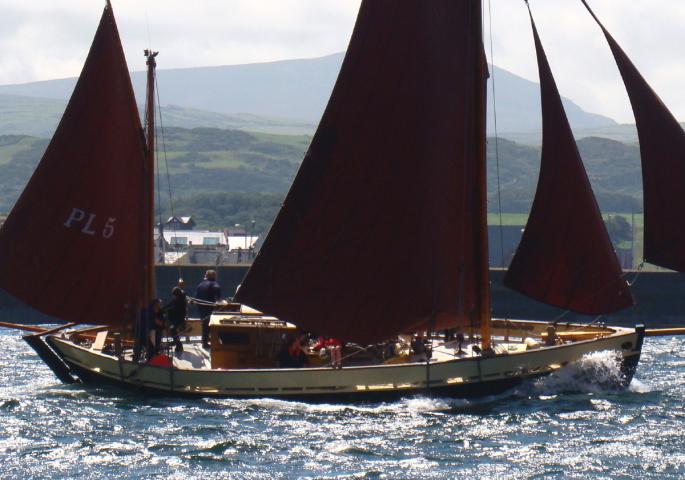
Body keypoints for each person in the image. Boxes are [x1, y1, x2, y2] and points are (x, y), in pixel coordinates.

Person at [194, 269, 221, 349]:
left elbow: (196, 296)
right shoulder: (214, 284)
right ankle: (212, 342)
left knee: (205, 325)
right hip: (210, 308)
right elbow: (218, 296)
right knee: (212, 325)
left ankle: (204, 342)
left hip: (201, 308)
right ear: (213, 276)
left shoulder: (200, 285)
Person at [163, 285, 187, 354]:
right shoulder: (176, 300)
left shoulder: (181, 301)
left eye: (174, 295)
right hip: (175, 318)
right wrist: (162, 309)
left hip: (179, 319)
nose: (174, 297)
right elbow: (170, 305)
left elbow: (176, 309)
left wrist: (167, 310)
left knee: (172, 329)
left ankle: (178, 344)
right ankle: (177, 343)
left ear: (177, 295)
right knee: (171, 329)